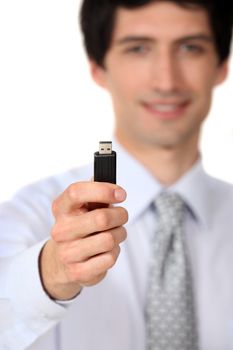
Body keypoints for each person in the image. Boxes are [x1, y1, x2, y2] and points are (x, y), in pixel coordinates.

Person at [0, 0, 233, 349]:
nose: (167, 81)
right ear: (98, 68)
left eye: (190, 47)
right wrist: (50, 273)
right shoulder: (32, 216)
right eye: (138, 48)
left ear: (221, 66)